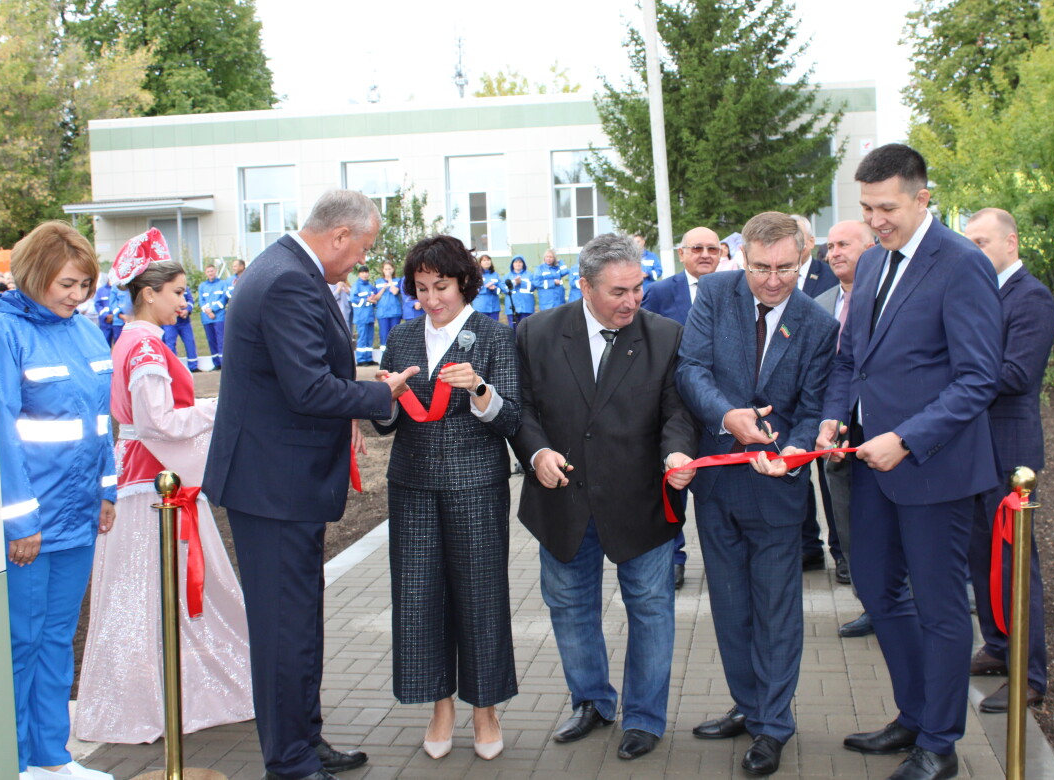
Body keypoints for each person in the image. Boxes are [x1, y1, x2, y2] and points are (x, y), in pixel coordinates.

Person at [816, 144, 1002, 780]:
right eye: (866, 208)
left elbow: (979, 379)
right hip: (870, 464)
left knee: (941, 609)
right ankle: (915, 715)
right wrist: (834, 415)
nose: (875, 221)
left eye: (887, 208)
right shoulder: (871, 263)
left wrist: (907, 438)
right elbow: (851, 359)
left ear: (923, 198)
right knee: (875, 588)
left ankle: (940, 743)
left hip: (934, 468)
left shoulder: (962, 263)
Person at [204, 190, 398, 780]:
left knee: (299, 622)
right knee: (283, 628)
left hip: (281, 482)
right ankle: (288, 760)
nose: (361, 261)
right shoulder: (288, 279)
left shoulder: (286, 268)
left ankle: (304, 740)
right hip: (273, 485)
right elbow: (309, 388)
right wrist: (379, 393)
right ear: (339, 235)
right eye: (362, 249)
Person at [510, 233, 698, 761]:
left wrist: (677, 453)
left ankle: (643, 717)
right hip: (563, 500)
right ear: (585, 286)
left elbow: (677, 412)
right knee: (570, 607)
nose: (632, 301)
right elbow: (521, 407)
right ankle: (591, 701)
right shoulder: (536, 333)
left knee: (651, 610)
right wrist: (536, 452)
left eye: (638, 288)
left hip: (641, 501)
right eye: (619, 291)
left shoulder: (666, 335)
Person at [675, 212, 839, 777]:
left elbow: (813, 408)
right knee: (730, 605)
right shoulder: (715, 293)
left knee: (775, 611)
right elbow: (691, 369)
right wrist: (728, 416)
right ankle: (747, 705)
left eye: (786, 268)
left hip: (776, 489)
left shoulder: (817, 323)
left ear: (803, 259)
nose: (773, 280)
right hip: (718, 484)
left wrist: (793, 450)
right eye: (762, 267)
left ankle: (773, 725)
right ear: (741, 257)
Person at [76, 229, 254, 743]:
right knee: (160, 590)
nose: (185, 302)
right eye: (177, 292)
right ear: (148, 293)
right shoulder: (147, 348)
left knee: (148, 592)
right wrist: (218, 409)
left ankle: (158, 695)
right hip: (156, 484)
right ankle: (163, 698)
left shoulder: (132, 341)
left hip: (144, 478)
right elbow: (158, 422)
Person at [373, 235, 521, 761]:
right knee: (418, 597)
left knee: (480, 596)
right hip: (411, 484)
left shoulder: (494, 336)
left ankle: (485, 709)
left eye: (441, 286)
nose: (432, 299)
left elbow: (511, 418)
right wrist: (385, 398)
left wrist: (479, 388)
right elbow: (385, 424)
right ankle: (440, 706)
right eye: (421, 288)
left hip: (475, 484)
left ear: (464, 283)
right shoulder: (402, 336)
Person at [0, 221, 117, 780]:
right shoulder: (5, 333)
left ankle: (51, 757)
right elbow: (2, 435)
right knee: (20, 642)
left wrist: (106, 491)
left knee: (56, 637)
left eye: (85, 285)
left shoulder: (88, 333)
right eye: (67, 283)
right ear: (33, 273)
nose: (77, 295)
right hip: (30, 524)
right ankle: (15, 760)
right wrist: (20, 522)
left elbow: (101, 423)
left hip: (78, 516)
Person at [963, 208, 1054, 714]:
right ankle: (998, 647)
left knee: (1015, 565)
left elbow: (1018, 373)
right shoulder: (981, 293)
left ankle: (1029, 675)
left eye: (981, 241)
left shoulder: (1030, 297)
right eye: (969, 242)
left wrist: (956, 373)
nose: (973, 251)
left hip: (1010, 455)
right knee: (982, 558)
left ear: (1011, 243)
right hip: (975, 449)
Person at [641, 226, 721, 588]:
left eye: (712, 249)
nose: (705, 254)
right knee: (673, 484)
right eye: (697, 248)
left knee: (717, 491)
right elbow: (641, 341)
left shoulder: (736, 289)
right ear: (682, 253)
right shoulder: (659, 292)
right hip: (673, 407)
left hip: (719, 409)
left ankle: (722, 559)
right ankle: (673, 558)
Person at [815, 220, 878, 639]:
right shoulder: (820, 303)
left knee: (888, 527)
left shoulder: (887, 299)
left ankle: (903, 603)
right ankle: (869, 603)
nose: (834, 252)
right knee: (848, 524)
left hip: (884, 434)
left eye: (844, 244)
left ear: (871, 248)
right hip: (836, 432)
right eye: (831, 246)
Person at [790, 215, 841, 573]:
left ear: (809, 243)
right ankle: (808, 545)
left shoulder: (830, 277)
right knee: (796, 475)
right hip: (786, 397)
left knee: (830, 476)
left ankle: (841, 550)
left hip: (824, 394)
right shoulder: (771, 276)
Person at [197, 263, 228, 370]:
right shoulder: (202, 286)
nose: (210, 273)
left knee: (221, 340)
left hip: (219, 317)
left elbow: (224, 299)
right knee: (211, 341)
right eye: (208, 271)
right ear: (206, 273)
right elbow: (201, 300)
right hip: (207, 318)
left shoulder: (222, 284)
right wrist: (208, 311)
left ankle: (224, 363)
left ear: (215, 271)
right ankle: (216, 363)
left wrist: (213, 310)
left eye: (212, 271)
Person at [161, 286, 199, 372]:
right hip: (170, 322)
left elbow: (190, 300)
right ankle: (173, 368)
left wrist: (187, 310)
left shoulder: (184, 287)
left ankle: (193, 366)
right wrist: (176, 311)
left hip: (184, 322)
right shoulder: (165, 288)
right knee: (170, 344)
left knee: (190, 342)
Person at [351, 264, 377, 365]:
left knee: (369, 338)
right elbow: (353, 299)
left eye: (366, 272)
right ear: (359, 274)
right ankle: (361, 359)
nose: (365, 274)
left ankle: (369, 358)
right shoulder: (356, 285)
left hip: (370, 315)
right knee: (362, 338)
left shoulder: (370, 286)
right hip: (361, 316)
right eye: (362, 272)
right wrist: (367, 300)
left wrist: (373, 301)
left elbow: (374, 299)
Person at [373, 261, 402, 341]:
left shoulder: (398, 280)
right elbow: (376, 298)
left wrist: (390, 280)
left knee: (395, 335)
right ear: (383, 270)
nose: (388, 271)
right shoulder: (378, 282)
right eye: (386, 269)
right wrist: (383, 288)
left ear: (393, 269)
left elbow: (395, 292)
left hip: (395, 312)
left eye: (389, 269)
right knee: (384, 334)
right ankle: (384, 348)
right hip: (382, 312)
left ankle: (394, 349)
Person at [503, 256, 535, 326]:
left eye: (520, 262)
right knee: (513, 329)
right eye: (516, 262)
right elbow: (504, 289)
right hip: (512, 307)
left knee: (526, 328)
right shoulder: (507, 276)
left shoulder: (530, 275)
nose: (518, 264)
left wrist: (521, 282)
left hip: (527, 306)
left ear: (523, 264)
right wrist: (515, 283)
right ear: (512, 264)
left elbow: (533, 287)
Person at [474, 253, 503, 321]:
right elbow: (473, 289)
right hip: (481, 307)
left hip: (494, 307)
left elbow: (500, 289)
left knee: (494, 326)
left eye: (488, 260)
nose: (487, 262)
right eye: (484, 260)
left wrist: (494, 289)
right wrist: (485, 287)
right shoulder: (476, 274)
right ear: (480, 263)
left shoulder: (495, 275)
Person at [93, 276, 114, 345]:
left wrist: (115, 316)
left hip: (117, 321)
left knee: (119, 344)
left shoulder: (119, 290)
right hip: (105, 321)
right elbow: (97, 304)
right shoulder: (101, 290)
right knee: (104, 343)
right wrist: (105, 316)